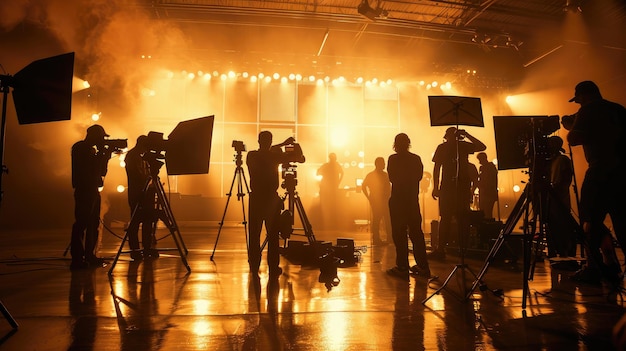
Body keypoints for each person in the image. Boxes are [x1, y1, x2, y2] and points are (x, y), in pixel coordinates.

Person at [562, 80, 626, 285]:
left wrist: (572, 126)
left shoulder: (588, 110)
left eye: (578, 99)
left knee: (590, 220)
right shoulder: (618, 109)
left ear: (584, 95)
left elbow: (574, 139)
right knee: (622, 221)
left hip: (600, 172)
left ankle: (593, 268)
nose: (578, 104)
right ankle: (612, 262)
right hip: (623, 172)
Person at [247, 131, 304, 278]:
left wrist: (282, 144)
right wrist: (289, 145)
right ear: (270, 141)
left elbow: (266, 151)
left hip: (255, 199)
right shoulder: (274, 156)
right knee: (272, 236)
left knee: (254, 235)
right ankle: (273, 266)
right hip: (270, 200)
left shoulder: (251, 155)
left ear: (258, 140)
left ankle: (254, 265)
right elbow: (300, 158)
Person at [430, 127, 486, 260]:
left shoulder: (449, 147)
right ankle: (458, 250)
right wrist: (466, 135)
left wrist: (436, 187)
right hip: (458, 187)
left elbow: (437, 168)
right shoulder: (461, 146)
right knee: (458, 219)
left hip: (452, 187)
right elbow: (437, 168)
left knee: (451, 219)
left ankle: (444, 249)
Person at [386, 133, 431, 281]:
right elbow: (418, 177)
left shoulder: (393, 159)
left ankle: (402, 267)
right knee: (417, 234)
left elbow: (392, 178)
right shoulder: (416, 159)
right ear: (408, 143)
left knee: (399, 234)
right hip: (412, 200)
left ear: (395, 144)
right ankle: (423, 266)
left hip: (398, 200)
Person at [70, 125, 115, 270]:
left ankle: (89, 255)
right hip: (84, 189)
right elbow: (90, 168)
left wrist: (104, 156)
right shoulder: (80, 148)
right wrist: (102, 154)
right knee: (82, 223)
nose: (102, 140)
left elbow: (101, 171)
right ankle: (77, 259)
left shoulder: (91, 150)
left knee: (93, 224)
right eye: (101, 137)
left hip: (93, 189)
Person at [124, 135, 159, 261]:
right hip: (136, 193)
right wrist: (148, 179)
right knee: (135, 222)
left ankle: (146, 248)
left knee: (148, 220)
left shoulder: (143, 157)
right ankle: (135, 250)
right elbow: (136, 174)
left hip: (145, 193)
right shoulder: (132, 156)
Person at [361, 157, 392, 245]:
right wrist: (369, 197)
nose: (384, 165)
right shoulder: (374, 175)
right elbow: (363, 186)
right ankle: (378, 238)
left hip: (383, 200)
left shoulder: (383, 175)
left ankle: (386, 238)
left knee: (385, 219)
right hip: (377, 200)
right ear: (377, 164)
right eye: (382, 163)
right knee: (379, 219)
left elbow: (364, 186)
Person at [317, 152, 344, 229]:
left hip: (330, 188)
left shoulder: (329, 165)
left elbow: (318, 172)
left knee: (330, 204)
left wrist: (338, 182)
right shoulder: (329, 165)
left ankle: (329, 221)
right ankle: (327, 221)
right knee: (328, 204)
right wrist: (338, 182)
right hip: (328, 188)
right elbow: (318, 172)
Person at [476, 152, 498, 219]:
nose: (479, 162)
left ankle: (488, 226)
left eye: (480, 159)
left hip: (488, 193)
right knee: (485, 211)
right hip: (486, 193)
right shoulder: (489, 167)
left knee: (487, 212)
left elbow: (488, 180)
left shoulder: (489, 167)